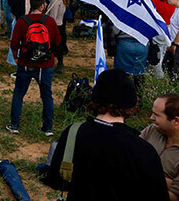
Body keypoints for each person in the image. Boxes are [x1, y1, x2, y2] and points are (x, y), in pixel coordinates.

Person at [44, 69, 168, 201]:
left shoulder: (73, 132)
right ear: (131, 105)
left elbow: (55, 181)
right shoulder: (143, 149)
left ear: (94, 99)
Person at [6, 0, 61, 136]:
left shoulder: (22, 21)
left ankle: (14, 125)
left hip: (25, 62)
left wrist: (16, 57)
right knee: (46, 95)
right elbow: (57, 41)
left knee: (19, 93)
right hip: (45, 64)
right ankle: (47, 127)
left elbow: (14, 42)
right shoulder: (49, 21)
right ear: (42, 6)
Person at [141, 93, 179, 200]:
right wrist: (164, 181)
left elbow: (173, 197)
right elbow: (128, 158)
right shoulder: (152, 130)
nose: (151, 118)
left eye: (156, 115)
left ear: (175, 121)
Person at [47, 0, 69, 74]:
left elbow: (53, 16)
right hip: (59, 26)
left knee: (53, 47)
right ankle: (59, 64)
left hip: (55, 26)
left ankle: (54, 65)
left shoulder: (56, 0)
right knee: (58, 48)